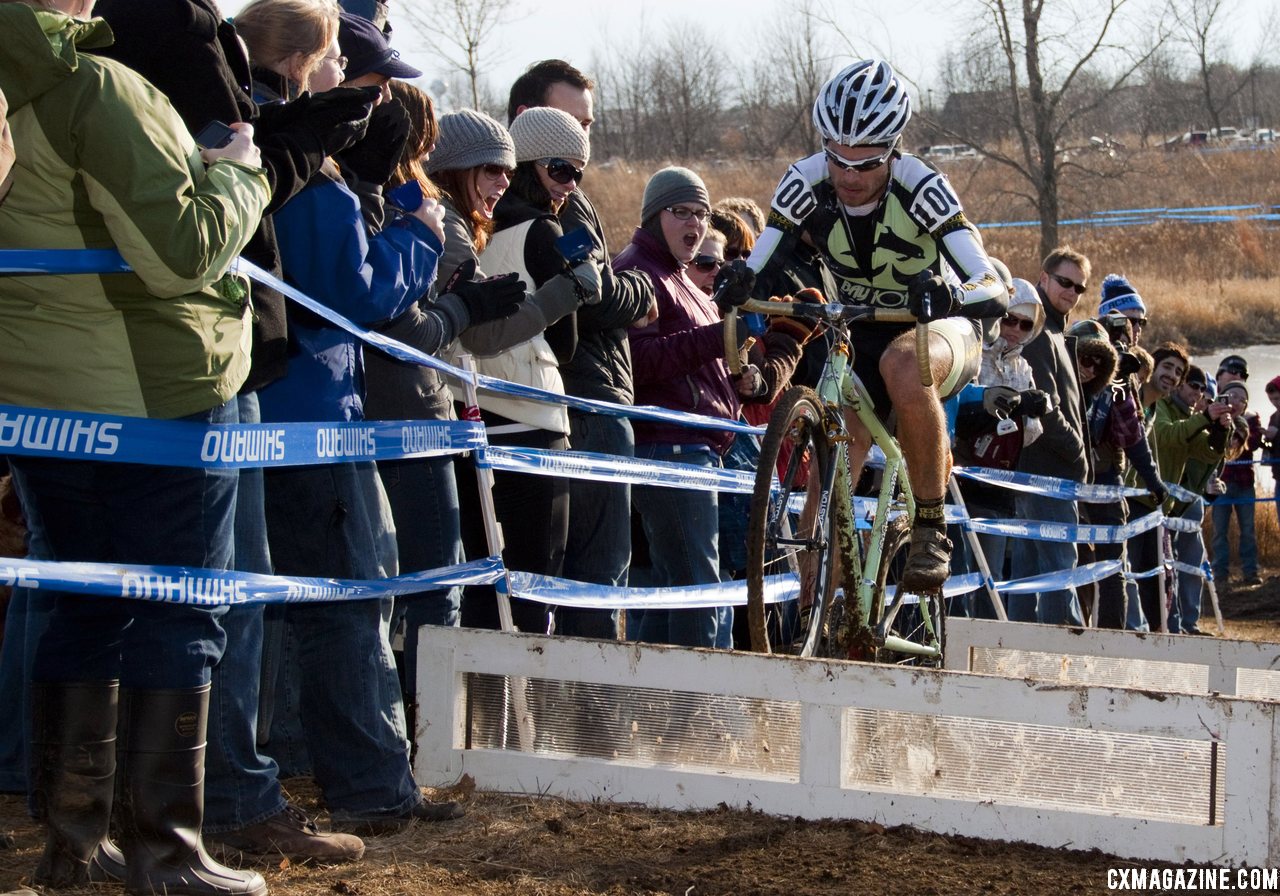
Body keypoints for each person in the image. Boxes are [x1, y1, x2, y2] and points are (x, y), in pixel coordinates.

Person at [0, 2, 271, 894]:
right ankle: (168, 851)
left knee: (82, 606)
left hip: (40, 400)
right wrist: (240, 174)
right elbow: (180, 251)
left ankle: (76, 846)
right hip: (158, 398)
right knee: (180, 609)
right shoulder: (92, 88)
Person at [722, 59, 1006, 592]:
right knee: (841, 434)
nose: (850, 176)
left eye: (868, 163)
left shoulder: (923, 186)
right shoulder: (804, 182)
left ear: (894, 148)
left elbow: (992, 282)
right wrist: (738, 280)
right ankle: (815, 604)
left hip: (938, 325)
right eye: (838, 160)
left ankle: (929, 528)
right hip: (862, 325)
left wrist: (954, 291)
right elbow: (757, 264)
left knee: (902, 366)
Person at [616, 166, 808, 648]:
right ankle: (706, 718)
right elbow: (637, 362)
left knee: (677, 591)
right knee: (703, 592)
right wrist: (718, 336)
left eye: (702, 214)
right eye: (681, 212)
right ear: (653, 214)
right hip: (671, 446)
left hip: (703, 446)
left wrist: (756, 367)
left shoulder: (681, 278)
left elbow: (706, 361)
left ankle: (658, 714)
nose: (695, 224)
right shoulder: (639, 272)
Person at [506, 59, 657, 639]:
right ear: (529, 122)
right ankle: (585, 717)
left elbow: (597, 283)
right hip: (578, 397)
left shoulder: (562, 196)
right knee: (593, 571)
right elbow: (594, 294)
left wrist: (619, 289)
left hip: (584, 395)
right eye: (570, 124)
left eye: (588, 126)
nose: (580, 150)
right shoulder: (543, 209)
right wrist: (640, 291)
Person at [456, 105, 601, 635]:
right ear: (528, 164)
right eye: (560, 171)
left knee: (482, 577)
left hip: (469, 407)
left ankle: (478, 708)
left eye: (578, 175)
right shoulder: (544, 231)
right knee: (536, 579)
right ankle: (522, 715)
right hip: (529, 409)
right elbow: (567, 338)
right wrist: (578, 282)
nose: (569, 187)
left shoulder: (471, 222)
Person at [951, 281, 1055, 620]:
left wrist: (1030, 410)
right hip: (959, 480)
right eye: (1010, 319)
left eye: (1026, 324)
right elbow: (956, 413)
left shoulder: (1023, 367)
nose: (1016, 330)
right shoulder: (970, 354)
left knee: (988, 580)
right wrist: (995, 407)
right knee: (957, 575)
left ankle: (982, 651)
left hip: (999, 485)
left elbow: (1029, 436)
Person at [1127, 344, 1232, 630]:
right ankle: (1133, 634)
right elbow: (1166, 436)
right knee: (1130, 576)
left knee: (1160, 580)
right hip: (1135, 503)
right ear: (1152, 368)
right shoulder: (1156, 406)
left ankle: (1158, 636)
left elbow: (1206, 453)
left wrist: (1222, 430)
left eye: (1177, 371)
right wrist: (1205, 418)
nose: (1172, 375)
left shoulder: (1184, 415)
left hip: (1159, 509)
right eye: (1167, 368)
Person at [1070, 320, 1162, 629]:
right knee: (1069, 562)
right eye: (1085, 358)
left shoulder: (1118, 389)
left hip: (1105, 478)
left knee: (1112, 566)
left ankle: (1111, 634)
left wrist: (1152, 480)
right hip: (1063, 482)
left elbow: (1134, 439)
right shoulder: (1057, 380)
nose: (1091, 367)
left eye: (1101, 361)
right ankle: (1070, 629)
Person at [1212, 381, 1263, 588]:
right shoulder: (1212, 419)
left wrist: (1242, 425)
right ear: (1222, 396)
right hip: (1220, 483)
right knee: (1219, 531)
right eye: (1232, 396)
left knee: (1248, 530)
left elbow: (1251, 441)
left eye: (1242, 400)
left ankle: (1251, 572)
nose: (1237, 402)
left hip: (1244, 484)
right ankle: (1220, 573)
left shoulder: (1250, 422)